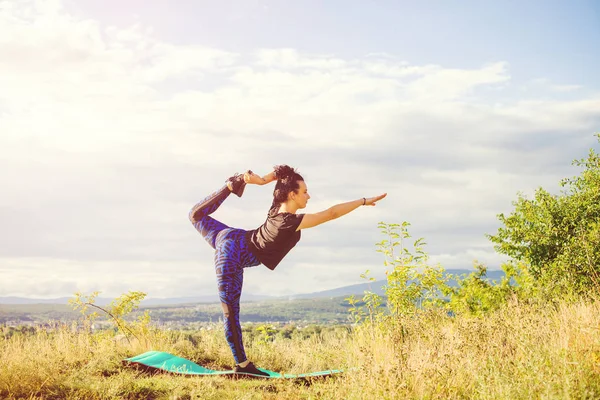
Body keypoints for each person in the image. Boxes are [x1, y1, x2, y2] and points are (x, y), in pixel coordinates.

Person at [188, 165, 387, 376]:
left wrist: (262, 180)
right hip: (230, 254)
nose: (308, 196)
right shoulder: (288, 222)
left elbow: (283, 172)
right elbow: (331, 213)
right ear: (292, 194)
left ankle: (231, 185)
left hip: (234, 238)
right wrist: (363, 201)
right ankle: (242, 366)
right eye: (304, 192)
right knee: (230, 313)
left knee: (195, 215)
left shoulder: (277, 208)